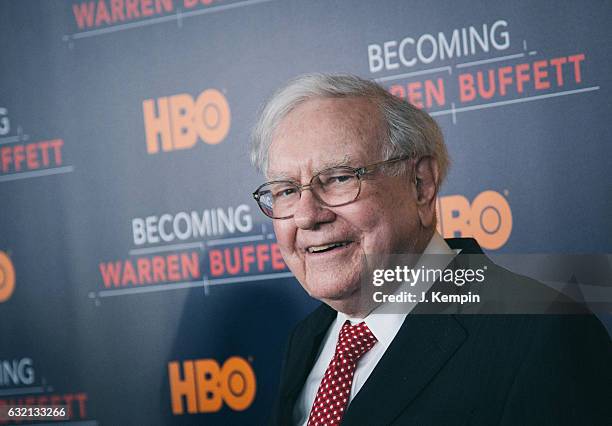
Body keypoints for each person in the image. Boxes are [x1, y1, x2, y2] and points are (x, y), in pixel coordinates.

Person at [250, 74, 611, 426]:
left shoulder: (541, 334)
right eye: (285, 191)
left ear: (420, 185)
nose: (307, 215)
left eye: (340, 178)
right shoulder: (307, 338)